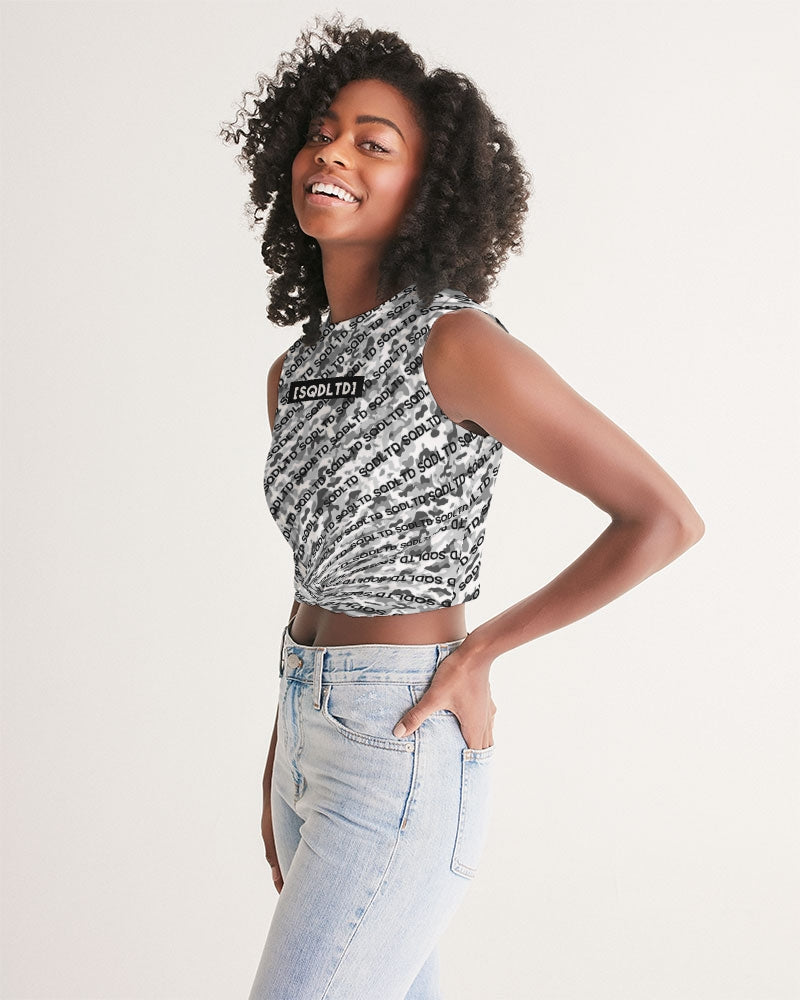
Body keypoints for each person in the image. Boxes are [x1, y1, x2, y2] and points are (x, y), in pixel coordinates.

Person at [220, 14, 705, 1000]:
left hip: (397, 737)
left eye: (373, 144)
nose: (333, 154)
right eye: (321, 132)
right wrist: (284, 736)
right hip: (308, 727)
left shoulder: (454, 344)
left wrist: (479, 652)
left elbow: (660, 517)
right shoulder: (294, 373)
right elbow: (318, 569)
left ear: (425, 189)